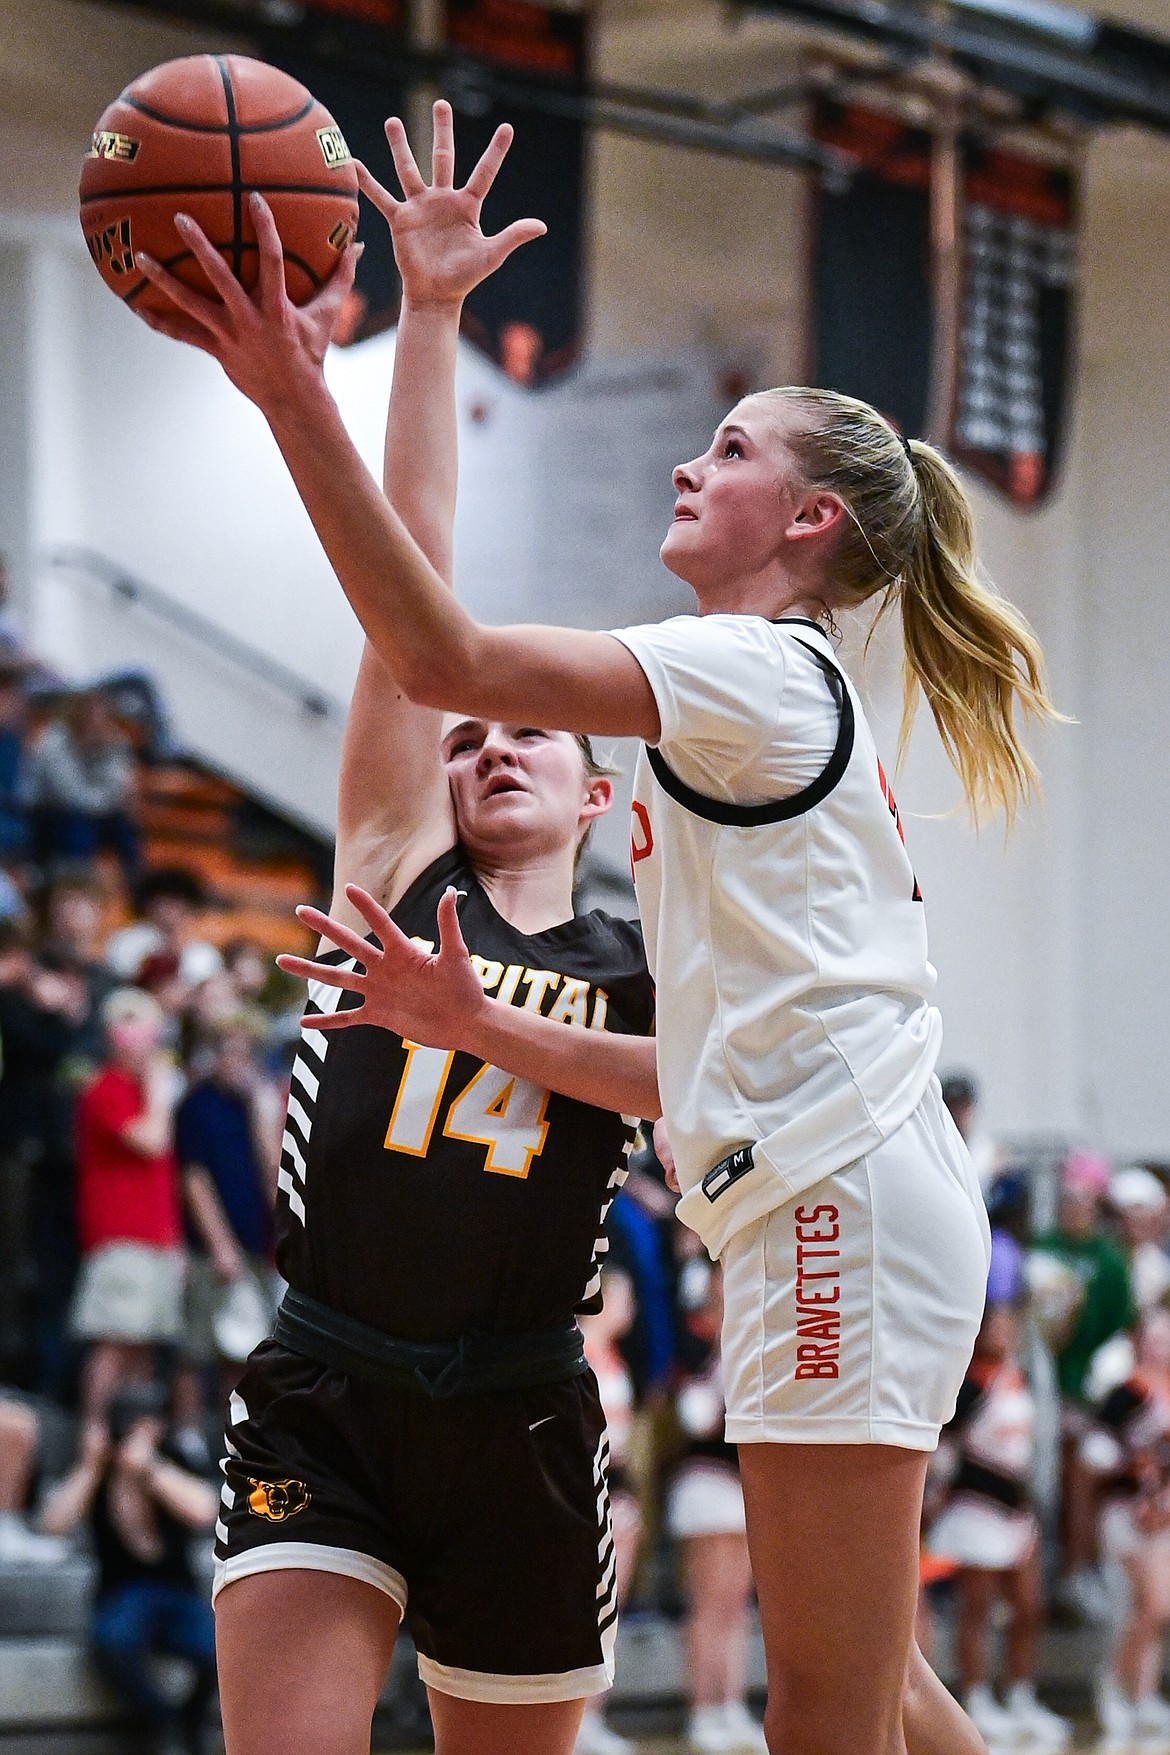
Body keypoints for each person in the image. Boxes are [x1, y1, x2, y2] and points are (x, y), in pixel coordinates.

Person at [136, 99, 1062, 1755]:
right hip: (410, 1346)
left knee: (826, 1714)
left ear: (812, 525)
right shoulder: (469, 848)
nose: (688, 464)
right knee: (873, 1684)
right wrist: (480, 1024)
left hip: (733, 1262)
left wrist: (301, 393)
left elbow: (440, 647)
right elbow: (423, 618)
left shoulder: (736, 684)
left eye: (730, 452)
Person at [148, 113, 656, 1755]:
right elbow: (411, 582)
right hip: (331, 1382)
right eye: (468, 735)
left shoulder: (645, 977)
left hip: (520, 1403)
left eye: (529, 738)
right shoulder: (387, 868)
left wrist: (489, 1025)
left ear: (600, 805)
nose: (490, 743)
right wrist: (426, 322)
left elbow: (686, 1086)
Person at [39, 1382, 218, 1755]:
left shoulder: (169, 1460)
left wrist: (149, 1468)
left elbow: (203, 1511)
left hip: (175, 1593)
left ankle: (189, 1726)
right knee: (114, 1643)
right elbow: (53, 1524)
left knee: (217, 1650)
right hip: (123, 1595)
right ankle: (162, 1726)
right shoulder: (96, 1469)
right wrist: (91, 1466)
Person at [926, 1303, 1069, 1747]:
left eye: (1012, 1326)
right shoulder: (969, 1384)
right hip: (975, 1507)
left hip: (1015, 1508)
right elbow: (943, 1442)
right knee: (978, 1608)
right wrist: (943, 1488)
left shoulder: (1017, 1377)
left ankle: (1021, 1696)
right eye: (998, 1326)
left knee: (1029, 1606)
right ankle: (976, 1698)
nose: (1006, 1333)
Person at [667, 1245, 766, 1755]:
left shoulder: (757, 1343)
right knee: (709, 1607)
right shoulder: (695, 1347)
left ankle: (731, 1706)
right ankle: (703, 1709)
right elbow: (695, 1419)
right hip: (705, 1484)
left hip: (745, 1488)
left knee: (738, 1607)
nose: (729, 1291)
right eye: (721, 1283)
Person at [70, 987, 185, 1418]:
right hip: (120, 1236)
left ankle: (129, 1452)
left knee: (143, 1349)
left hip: (155, 1236)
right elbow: (152, 1142)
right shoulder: (106, 1088)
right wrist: (159, 1092)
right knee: (114, 1344)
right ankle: (94, 1439)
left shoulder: (140, 1093)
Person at [1085, 1302, 1170, 1740]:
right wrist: (1133, 1467)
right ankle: (1111, 1687)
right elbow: (1092, 1450)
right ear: (1139, 1341)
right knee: (1148, 1605)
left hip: (1164, 1514)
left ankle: (1143, 1695)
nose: (1163, 1344)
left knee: (1152, 1611)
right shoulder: (1128, 1393)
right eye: (1155, 1336)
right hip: (1125, 1511)